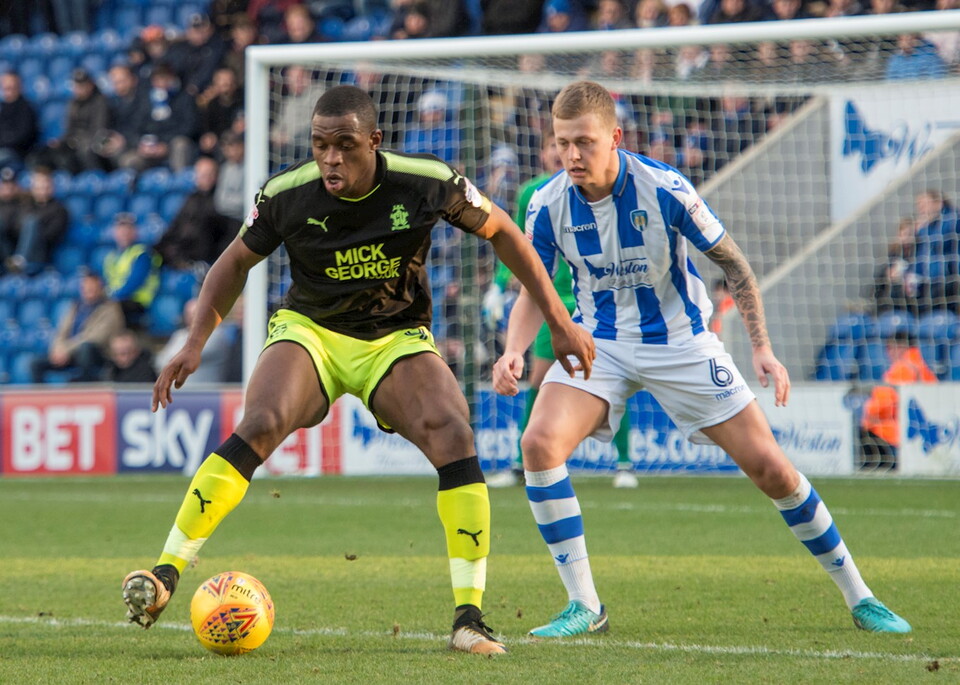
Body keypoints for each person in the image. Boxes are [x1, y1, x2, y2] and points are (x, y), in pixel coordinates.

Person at [120, 85, 594, 655]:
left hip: (395, 337)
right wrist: (195, 342)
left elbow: (506, 234)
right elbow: (234, 262)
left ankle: (469, 618)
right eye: (320, 145)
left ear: (374, 140)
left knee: (453, 432)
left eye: (344, 145)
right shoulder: (286, 193)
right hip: (310, 331)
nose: (331, 158)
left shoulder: (426, 181)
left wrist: (559, 322)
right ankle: (166, 574)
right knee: (263, 420)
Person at [492, 80, 910, 638]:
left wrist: (761, 347)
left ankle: (861, 597)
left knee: (772, 468)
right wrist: (513, 350)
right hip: (601, 344)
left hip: (682, 344)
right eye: (562, 142)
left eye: (584, 142)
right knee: (538, 445)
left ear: (615, 138)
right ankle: (585, 606)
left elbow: (734, 265)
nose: (572, 154)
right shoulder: (546, 204)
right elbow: (533, 287)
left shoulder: (665, 188)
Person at [485, 126, 638, 489]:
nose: (559, 152)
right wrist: (497, 286)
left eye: (565, 145)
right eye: (553, 145)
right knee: (538, 380)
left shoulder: (600, 189)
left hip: (596, 302)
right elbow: (518, 247)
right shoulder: (533, 194)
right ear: (543, 153)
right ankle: (522, 464)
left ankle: (624, 464)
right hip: (549, 304)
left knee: (614, 378)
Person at [858, 329, 937, 471]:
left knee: (863, 433)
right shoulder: (923, 368)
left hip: (893, 434)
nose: (887, 352)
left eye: (889, 347)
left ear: (900, 347)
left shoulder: (901, 368)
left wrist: (868, 418)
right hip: (919, 432)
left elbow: (881, 404)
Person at [31, 269, 125, 383]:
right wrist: (58, 348)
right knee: (35, 363)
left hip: (98, 354)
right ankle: (42, 394)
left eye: (92, 287)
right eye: (85, 287)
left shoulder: (110, 308)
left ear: (100, 287)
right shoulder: (76, 306)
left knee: (86, 349)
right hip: (70, 353)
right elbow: (61, 331)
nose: (88, 290)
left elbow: (95, 338)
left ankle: (85, 386)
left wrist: (67, 349)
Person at [154, 156, 233, 272]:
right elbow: (176, 225)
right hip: (182, 249)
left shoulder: (221, 201)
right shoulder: (191, 199)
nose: (206, 178)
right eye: (202, 174)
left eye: (210, 174)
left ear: (217, 176)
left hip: (204, 254)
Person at [154, 297, 238, 383]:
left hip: (207, 390)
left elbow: (184, 358)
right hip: (177, 390)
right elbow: (160, 361)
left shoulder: (217, 335)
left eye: (195, 313)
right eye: (188, 314)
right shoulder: (179, 334)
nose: (191, 317)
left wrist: (169, 362)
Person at [101, 213, 162, 330]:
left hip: (137, 301)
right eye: (121, 229)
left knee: (108, 308)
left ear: (135, 232)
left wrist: (113, 297)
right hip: (117, 300)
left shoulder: (142, 254)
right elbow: (106, 281)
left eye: (128, 229)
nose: (124, 233)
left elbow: (135, 282)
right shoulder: (111, 257)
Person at [4, 167, 70, 276]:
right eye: (38, 186)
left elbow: (50, 236)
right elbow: (15, 227)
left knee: (32, 222)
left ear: (51, 187)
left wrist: (34, 227)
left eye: (45, 186)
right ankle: (14, 261)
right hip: (16, 247)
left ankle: (20, 260)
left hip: (40, 254)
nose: (42, 189)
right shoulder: (25, 205)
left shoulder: (59, 209)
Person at [0, 72, 38, 171]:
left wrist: (4, 141)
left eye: (12, 87)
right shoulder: (2, 108)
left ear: (19, 87)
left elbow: (23, 137)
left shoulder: (26, 108)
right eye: (6, 88)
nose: (9, 91)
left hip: (18, 153)